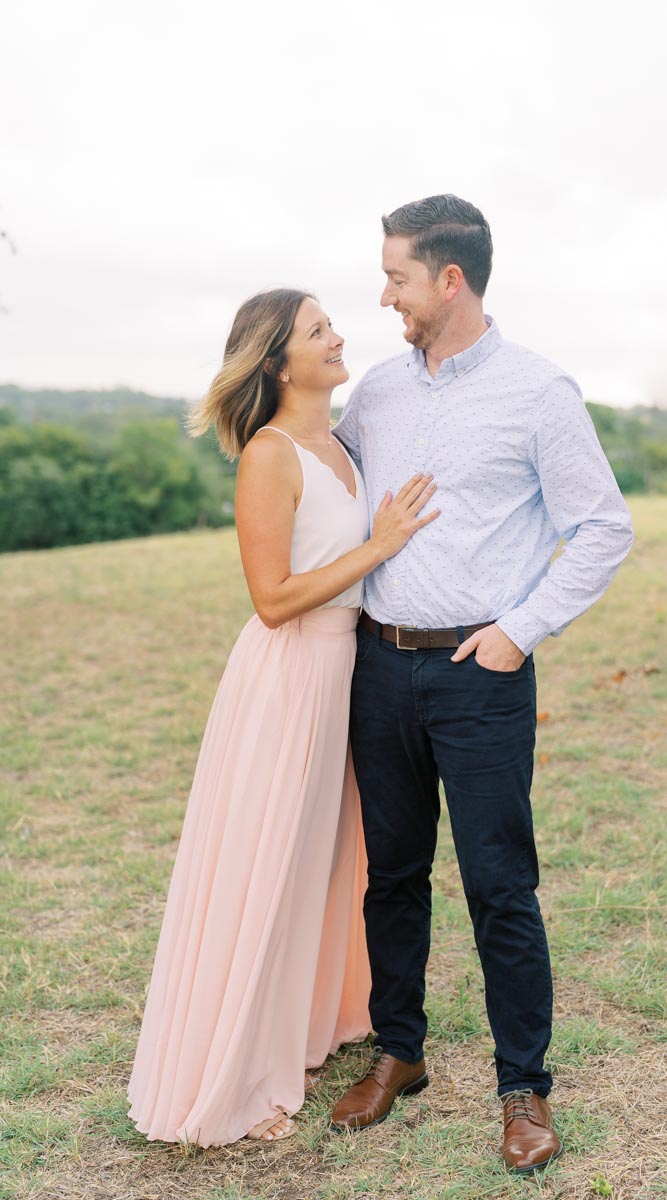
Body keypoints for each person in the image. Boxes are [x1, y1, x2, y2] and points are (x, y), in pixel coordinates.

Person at [331, 195, 634, 1174]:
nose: (384, 297)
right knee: (391, 874)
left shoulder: (538, 394)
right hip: (376, 667)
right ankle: (399, 1053)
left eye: (397, 278)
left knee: (500, 887)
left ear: (448, 279)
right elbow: (321, 488)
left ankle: (522, 1091)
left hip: (479, 672)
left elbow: (601, 529)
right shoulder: (374, 391)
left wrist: (518, 629)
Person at [127, 287, 439, 1147]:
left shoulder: (338, 443)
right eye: (317, 330)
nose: (339, 336)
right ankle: (231, 1059)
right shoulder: (270, 455)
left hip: (351, 671)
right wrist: (379, 546)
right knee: (267, 860)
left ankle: (300, 1021)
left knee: (326, 858)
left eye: (332, 324)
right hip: (290, 674)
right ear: (276, 361)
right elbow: (271, 600)